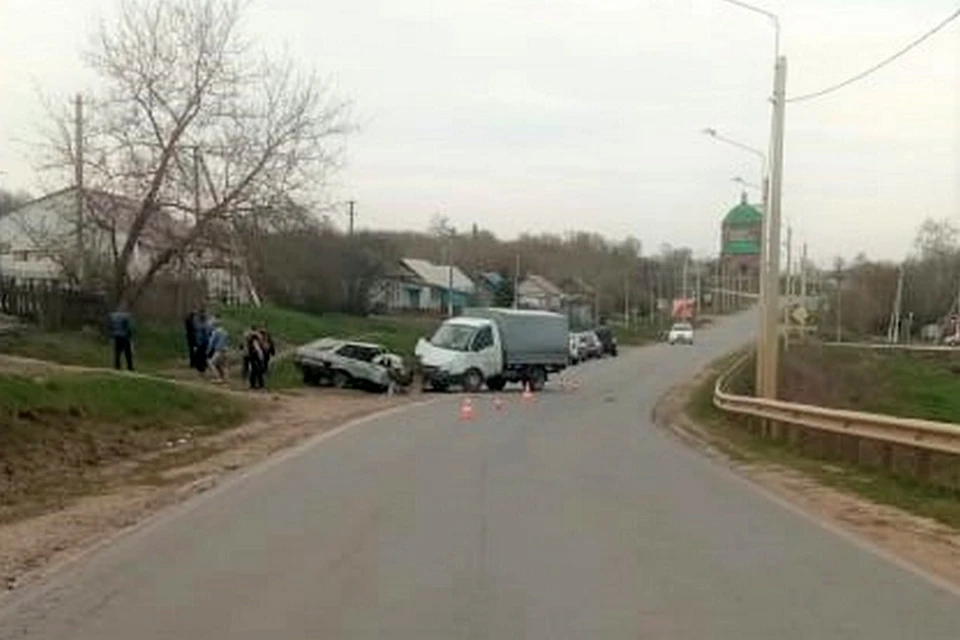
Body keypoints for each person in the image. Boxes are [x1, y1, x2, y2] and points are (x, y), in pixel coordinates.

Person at [206, 319, 229, 383]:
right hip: (225, 350)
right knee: (222, 364)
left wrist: (208, 350)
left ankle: (217, 377)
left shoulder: (215, 332)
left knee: (211, 363)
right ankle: (225, 378)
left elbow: (211, 342)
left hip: (218, 350)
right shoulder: (225, 332)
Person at [244, 325, 266, 390]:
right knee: (256, 370)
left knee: (255, 370)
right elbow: (258, 348)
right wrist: (261, 355)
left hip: (253, 355)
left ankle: (254, 385)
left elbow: (258, 348)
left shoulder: (253, 338)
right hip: (254, 355)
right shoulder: (255, 338)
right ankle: (258, 385)